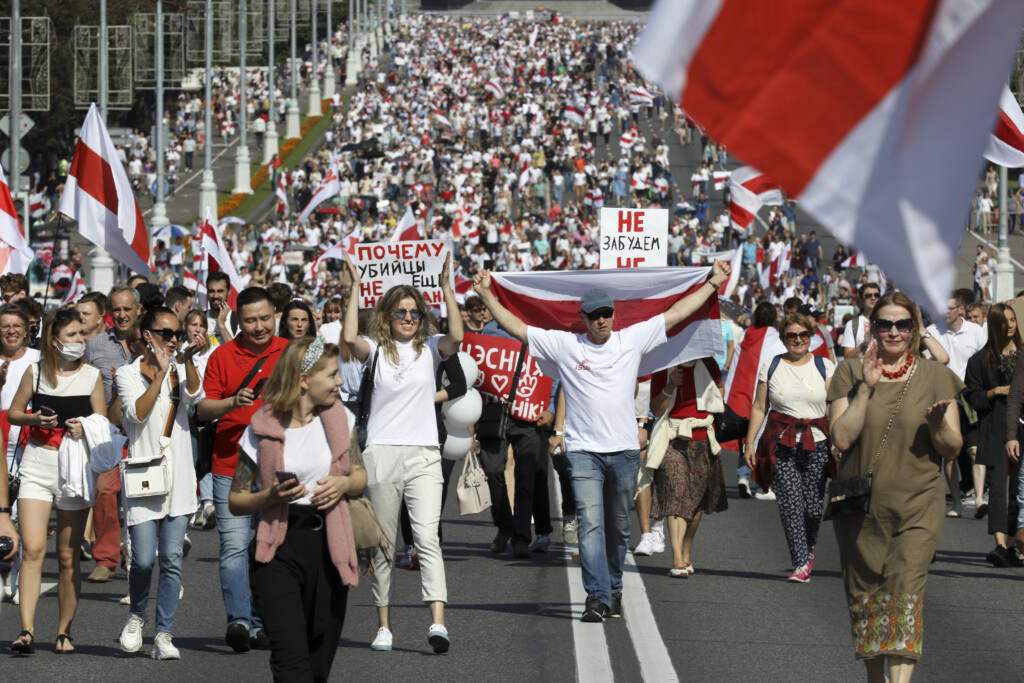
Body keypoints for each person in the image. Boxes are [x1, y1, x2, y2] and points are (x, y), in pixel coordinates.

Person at [471, 260, 730, 621]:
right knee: (591, 524)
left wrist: (713, 284)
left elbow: (675, 314)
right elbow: (519, 329)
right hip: (583, 453)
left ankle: (614, 586)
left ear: (613, 314)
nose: (601, 320)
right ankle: (596, 596)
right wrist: (485, 293)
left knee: (618, 528)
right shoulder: (566, 345)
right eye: (594, 315)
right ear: (583, 317)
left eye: (606, 313)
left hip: (624, 451)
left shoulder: (631, 338)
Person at [828, 291, 963, 681]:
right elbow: (841, 438)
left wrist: (938, 427)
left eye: (902, 324)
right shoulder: (850, 373)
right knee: (868, 598)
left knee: (904, 591)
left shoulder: (936, 376)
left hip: (919, 504)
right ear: (873, 327)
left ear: (914, 329)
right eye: (884, 324)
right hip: (861, 508)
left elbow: (952, 448)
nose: (893, 331)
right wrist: (866, 390)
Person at [342, 255, 462, 654]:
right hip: (381, 454)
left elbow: (457, 338)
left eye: (414, 312)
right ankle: (384, 626)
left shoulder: (431, 348)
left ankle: (438, 623)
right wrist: (355, 286)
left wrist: (447, 288)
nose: (408, 317)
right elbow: (347, 338)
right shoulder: (374, 349)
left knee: (428, 538)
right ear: (388, 315)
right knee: (383, 544)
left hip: (425, 454)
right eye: (401, 311)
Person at [228, 337, 365, 682]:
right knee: (290, 658)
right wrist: (270, 496)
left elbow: (360, 476)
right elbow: (236, 500)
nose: (340, 382)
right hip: (278, 547)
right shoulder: (262, 426)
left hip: (329, 546)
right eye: (333, 375)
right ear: (304, 379)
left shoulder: (341, 420)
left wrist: (344, 484)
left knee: (319, 657)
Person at [197, 287, 289, 652]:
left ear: (274, 316)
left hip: (277, 464)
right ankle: (239, 620)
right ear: (238, 320)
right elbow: (203, 410)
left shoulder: (290, 352)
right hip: (230, 464)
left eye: (265, 318)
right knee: (234, 546)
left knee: (271, 546)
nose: (259, 326)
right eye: (250, 320)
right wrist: (232, 401)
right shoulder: (222, 355)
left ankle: (263, 621)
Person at [9, 308, 106, 654]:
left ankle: (64, 631)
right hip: (37, 462)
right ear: (54, 341)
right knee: (33, 549)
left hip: (74, 466)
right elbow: (13, 413)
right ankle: (26, 630)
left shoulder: (92, 376)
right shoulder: (35, 373)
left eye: (82, 334)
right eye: (72, 335)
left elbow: (103, 423)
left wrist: (87, 427)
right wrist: (33, 416)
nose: (80, 340)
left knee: (67, 556)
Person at [115, 307, 208, 659]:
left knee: (171, 558)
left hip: (180, 475)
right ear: (147, 336)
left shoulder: (181, 370)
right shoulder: (126, 374)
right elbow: (136, 415)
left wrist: (185, 363)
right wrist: (161, 372)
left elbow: (196, 398)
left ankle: (164, 634)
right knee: (142, 560)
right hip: (144, 476)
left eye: (177, 334)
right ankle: (136, 614)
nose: (172, 340)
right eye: (165, 334)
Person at [744, 313, 835, 582]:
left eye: (803, 335)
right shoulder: (771, 365)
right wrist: (750, 442)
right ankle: (800, 562)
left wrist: (841, 439)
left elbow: (836, 405)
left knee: (814, 508)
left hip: (817, 443)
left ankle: (807, 548)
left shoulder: (825, 366)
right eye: (792, 336)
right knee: (791, 505)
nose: (798, 340)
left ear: (811, 337)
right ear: (783, 339)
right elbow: (760, 406)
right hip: (781, 443)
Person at [647, 357, 727, 577]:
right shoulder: (665, 365)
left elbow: (719, 393)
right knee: (676, 493)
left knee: (695, 503)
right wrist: (671, 385)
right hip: (673, 440)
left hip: (702, 440)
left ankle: (686, 550)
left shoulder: (708, 363)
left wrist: (711, 390)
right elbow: (656, 408)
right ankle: (676, 558)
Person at [84, 285, 142, 583]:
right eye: (116, 310)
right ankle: (106, 557)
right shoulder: (94, 345)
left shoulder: (150, 340)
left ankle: (140, 556)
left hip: (144, 432)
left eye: (127, 309)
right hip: (110, 433)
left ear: (138, 310)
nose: (122, 315)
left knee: (142, 496)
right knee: (106, 491)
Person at [964, 303, 1022, 566]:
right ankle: (1000, 545)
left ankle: (1013, 542)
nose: (1010, 326)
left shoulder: (1022, 355)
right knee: (998, 487)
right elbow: (972, 397)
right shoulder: (979, 360)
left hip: (1020, 427)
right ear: (994, 325)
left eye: (1013, 320)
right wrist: (995, 392)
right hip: (994, 427)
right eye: (1004, 321)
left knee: (1018, 490)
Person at [927, 293, 987, 517]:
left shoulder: (976, 331)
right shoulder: (933, 332)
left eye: (950, 308)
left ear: (960, 309)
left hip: (969, 396)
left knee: (975, 450)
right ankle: (957, 504)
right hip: (945, 397)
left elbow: (986, 360)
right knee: (950, 455)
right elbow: (927, 362)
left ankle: (980, 499)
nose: (945, 312)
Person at [841, 283, 880, 358]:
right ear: (861, 300)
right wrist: (863, 345)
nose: (873, 298)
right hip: (861, 368)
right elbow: (847, 356)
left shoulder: (889, 321)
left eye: (876, 295)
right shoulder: (852, 324)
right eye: (868, 295)